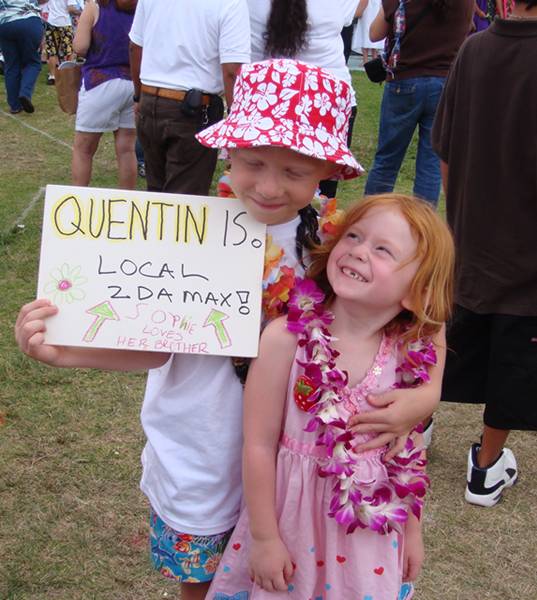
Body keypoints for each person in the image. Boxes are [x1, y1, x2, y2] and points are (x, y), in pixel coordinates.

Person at [15, 59, 442, 600]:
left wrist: (426, 393)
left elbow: (421, 316)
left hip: (302, 464)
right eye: (253, 163)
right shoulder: (185, 237)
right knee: (205, 585)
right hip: (204, 448)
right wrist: (67, 352)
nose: (268, 186)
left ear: (324, 172)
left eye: (293, 172)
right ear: (229, 154)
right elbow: (152, 348)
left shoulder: (336, 247)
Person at [207, 193, 454, 599]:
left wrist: (412, 530)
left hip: (368, 536)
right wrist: (265, 538)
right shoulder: (285, 341)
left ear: (415, 292)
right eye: (354, 236)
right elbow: (258, 445)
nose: (358, 251)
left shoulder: (406, 355)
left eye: (382, 250)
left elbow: (407, 454)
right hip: (290, 523)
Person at [431, 0, 537, 507]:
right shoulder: (473, 48)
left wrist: (458, 222)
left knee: (449, 339)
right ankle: (486, 467)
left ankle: (417, 427)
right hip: (528, 252)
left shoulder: (473, 49)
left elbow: (445, 148)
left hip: (472, 234)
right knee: (514, 356)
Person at [128, 0, 250, 196]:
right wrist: (238, 128)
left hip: (152, 100)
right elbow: (232, 70)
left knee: (158, 196)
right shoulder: (231, 3)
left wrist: (139, 95)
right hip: (193, 109)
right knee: (183, 204)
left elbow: (135, 47)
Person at [364, 0, 473, 207]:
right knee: (431, 163)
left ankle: (369, 213)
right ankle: (423, 229)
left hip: (403, 81)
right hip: (445, 83)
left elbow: (374, 34)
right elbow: (467, 31)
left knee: (387, 159)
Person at [247, 0, 360, 199]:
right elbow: (351, 14)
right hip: (327, 103)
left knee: (258, 191)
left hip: (265, 99)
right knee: (320, 193)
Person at [71, 0, 137, 189]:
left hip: (99, 81)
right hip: (132, 83)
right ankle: (127, 202)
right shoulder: (140, 8)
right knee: (126, 149)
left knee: (83, 149)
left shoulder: (95, 6)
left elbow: (80, 46)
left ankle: (79, 202)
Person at [0, 0, 44, 114]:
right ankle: (25, 93)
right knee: (32, 63)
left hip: (5, 23)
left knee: (11, 65)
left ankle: (14, 105)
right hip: (29, 20)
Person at [43, 0, 79, 84]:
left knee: (52, 51)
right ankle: (68, 74)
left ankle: (52, 76)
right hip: (65, 23)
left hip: (51, 22)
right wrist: (80, 12)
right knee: (69, 51)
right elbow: (71, 9)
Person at [352, 0, 385, 65]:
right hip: (366, 8)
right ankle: (365, 60)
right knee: (364, 31)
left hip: (377, 7)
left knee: (376, 29)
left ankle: (374, 58)